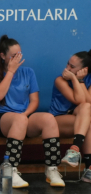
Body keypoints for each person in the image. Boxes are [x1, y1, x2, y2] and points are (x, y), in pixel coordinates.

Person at [0, 35, 65, 188]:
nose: (17, 59)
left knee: (48, 118)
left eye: (19, 55)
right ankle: (10, 170)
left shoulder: (28, 72)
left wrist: (25, 114)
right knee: (19, 120)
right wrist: (10, 72)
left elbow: (35, 101)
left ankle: (52, 169)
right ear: (2, 56)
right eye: (13, 56)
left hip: (23, 116)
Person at [49, 50, 91, 181]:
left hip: (79, 121)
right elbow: (78, 100)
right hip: (57, 121)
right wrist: (74, 78)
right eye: (68, 64)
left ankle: (74, 151)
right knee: (87, 121)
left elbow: (88, 103)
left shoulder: (88, 79)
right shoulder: (60, 80)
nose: (67, 68)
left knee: (87, 110)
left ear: (84, 69)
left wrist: (81, 80)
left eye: (72, 67)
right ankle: (89, 168)